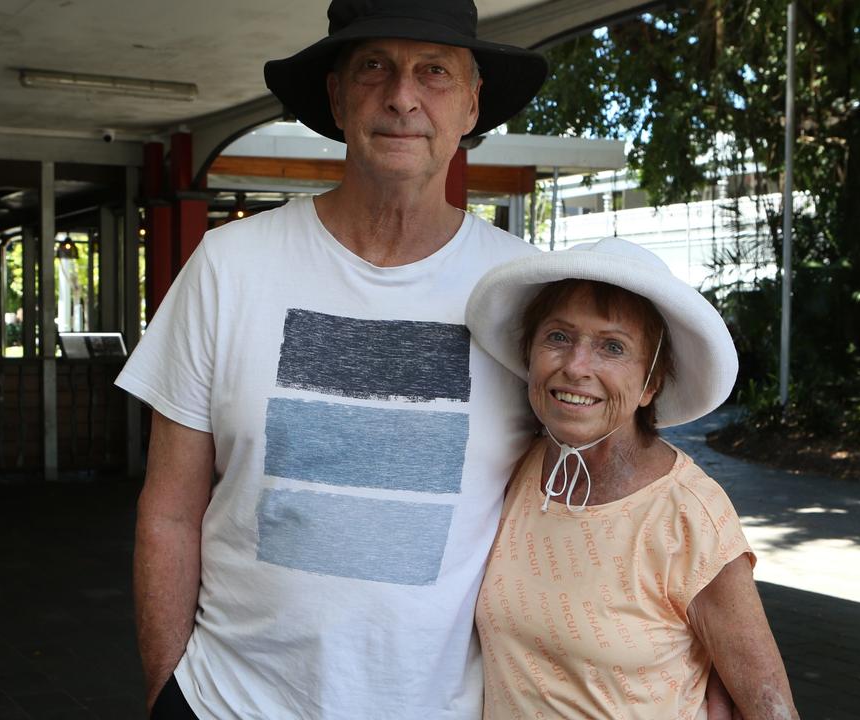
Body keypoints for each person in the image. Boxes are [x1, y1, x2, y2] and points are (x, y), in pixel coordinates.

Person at [113, 1, 552, 717]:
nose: (402, 95)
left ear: (472, 105)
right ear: (337, 96)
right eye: (374, 66)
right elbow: (169, 509)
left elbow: (584, 509)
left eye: (434, 72)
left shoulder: (527, 294)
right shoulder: (230, 265)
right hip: (232, 702)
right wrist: (169, 693)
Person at [466, 237, 798, 719]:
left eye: (612, 347)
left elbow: (771, 708)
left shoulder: (688, 513)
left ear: (651, 383)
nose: (577, 366)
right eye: (558, 337)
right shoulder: (515, 471)